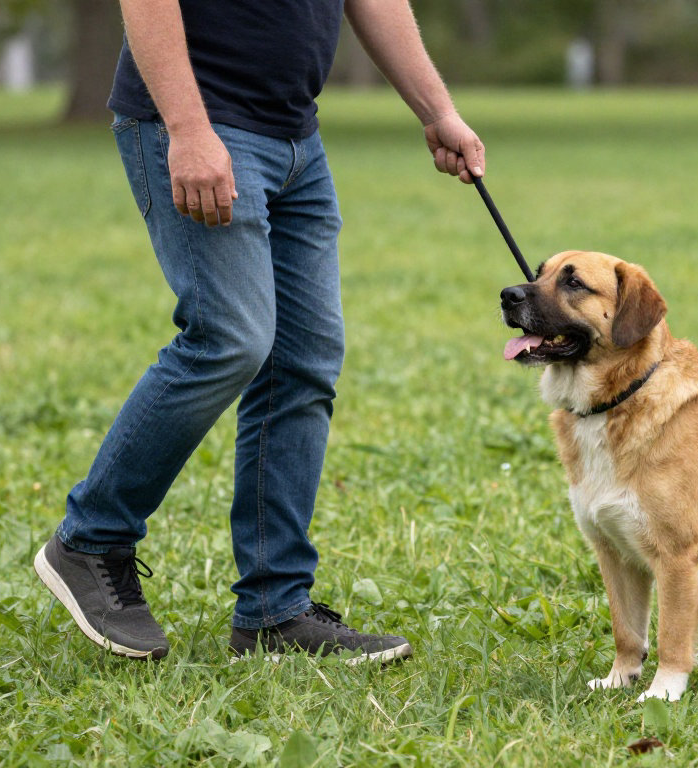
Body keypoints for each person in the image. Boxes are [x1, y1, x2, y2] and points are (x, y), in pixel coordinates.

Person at [33, 0, 484, 663]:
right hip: (200, 126)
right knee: (230, 338)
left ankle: (275, 614)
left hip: (296, 137)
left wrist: (437, 110)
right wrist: (188, 129)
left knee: (303, 361)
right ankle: (91, 540)